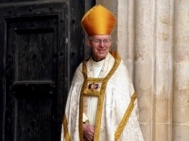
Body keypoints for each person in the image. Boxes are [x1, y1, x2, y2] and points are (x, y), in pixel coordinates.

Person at [61, 5, 144, 141]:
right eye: (97, 41)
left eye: (106, 40)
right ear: (89, 42)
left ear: (110, 42)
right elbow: (73, 107)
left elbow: (126, 112)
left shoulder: (119, 70)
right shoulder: (81, 71)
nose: (102, 45)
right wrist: (83, 127)